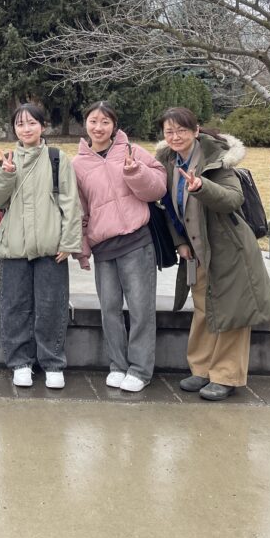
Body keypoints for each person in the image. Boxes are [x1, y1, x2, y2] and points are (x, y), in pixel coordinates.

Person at [155, 107, 270, 400]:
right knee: (202, 310)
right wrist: (178, 242)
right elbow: (169, 207)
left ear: (196, 130)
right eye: (169, 131)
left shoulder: (217, 161)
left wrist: (201, 186)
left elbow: (232, 199)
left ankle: (225, 376)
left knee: (232, 313)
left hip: (229, 249)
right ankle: (201, 370)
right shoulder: (170, 162)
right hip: (197, 251)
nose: (175, 136)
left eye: (181, 130)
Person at [0, 104, 83, 389]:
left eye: (31, 123)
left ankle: (52, 363)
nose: (26, 129)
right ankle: (20, 362)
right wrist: (5, 172)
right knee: (14, 306)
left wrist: (69, 241)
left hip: (51, 246)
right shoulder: (8, 158)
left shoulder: (56, 158)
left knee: (51, 306)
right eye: (20, 124)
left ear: (43, 125)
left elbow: (70, 202)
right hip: (14, 245)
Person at [71, 101, 167, 392]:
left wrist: (136, 172)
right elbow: (81, 210)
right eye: (93, 121)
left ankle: (139, 369)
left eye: (105, 122)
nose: (98, 127)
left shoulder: (133, 152)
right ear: (85, 124)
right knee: (109, 309)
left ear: (114, 125)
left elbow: (158, 188)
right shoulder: (78, 164)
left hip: (137, 241)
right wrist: (83, 247)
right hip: (104, 247)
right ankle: (117, 365)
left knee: (140, 308)